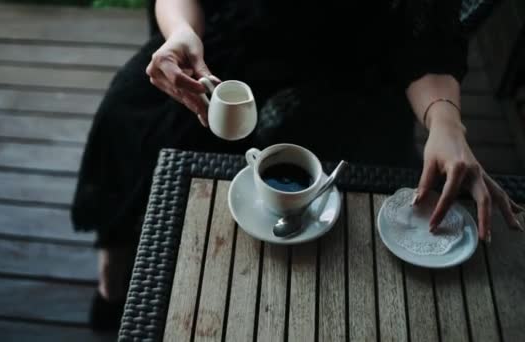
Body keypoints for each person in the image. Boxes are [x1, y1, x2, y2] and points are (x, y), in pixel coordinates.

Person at [71, 0, 525, 331]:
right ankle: (113, 292)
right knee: (128, 112)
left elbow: (424, 35)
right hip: (233, 41)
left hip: (352, 67)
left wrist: (446, 122)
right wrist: (181, 34)